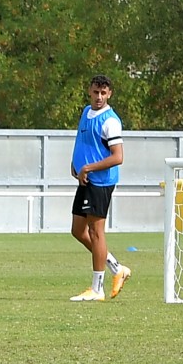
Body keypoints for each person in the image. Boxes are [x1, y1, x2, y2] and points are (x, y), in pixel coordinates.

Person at [68, 75, 129, 302]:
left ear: (109, 94)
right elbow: (83, 141)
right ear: (90, 91)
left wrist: (88, 167)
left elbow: (118, 157)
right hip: (86, 179)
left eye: (103, 93)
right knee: (77, 230)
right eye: (96, 92)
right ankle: (116, 268)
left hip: (100, 181)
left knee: (96, 232)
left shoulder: (110, 121)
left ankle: (97, 288)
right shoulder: (86, 112)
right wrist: (75, 163)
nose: (99, 97)